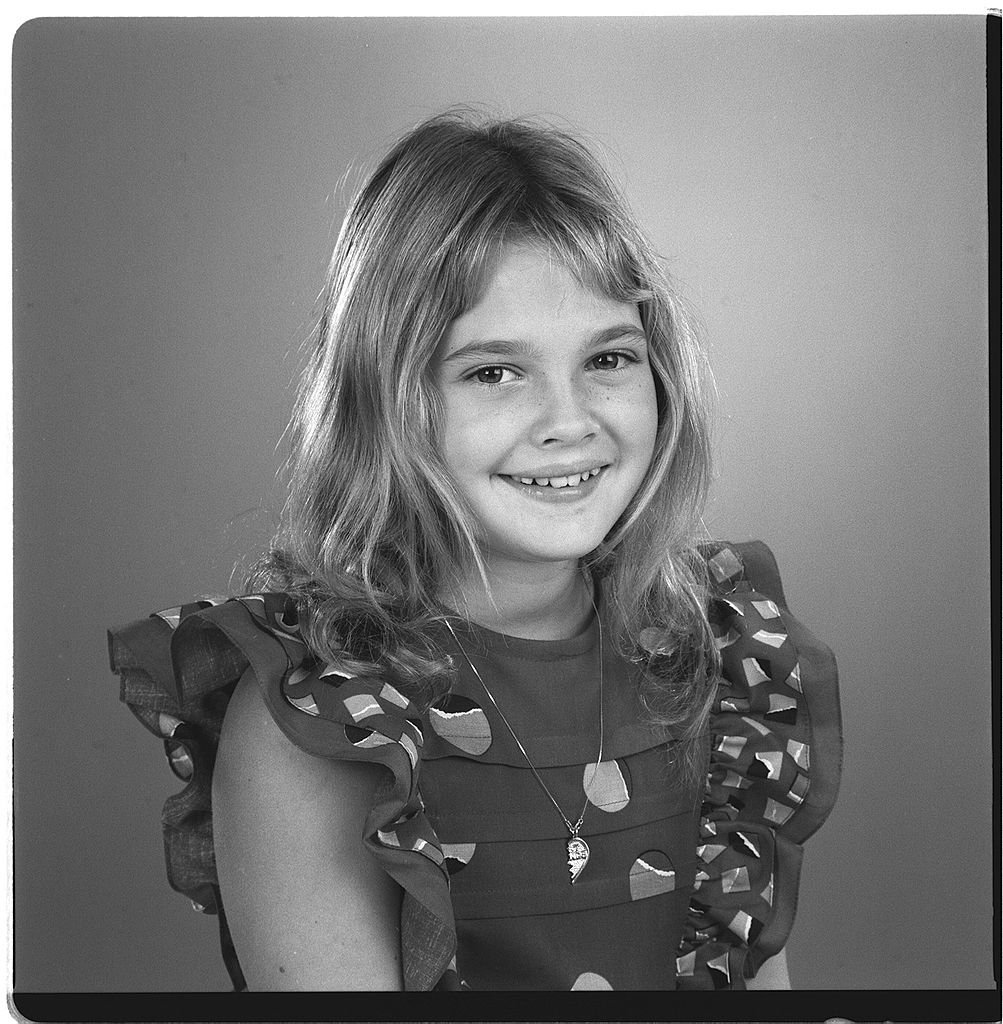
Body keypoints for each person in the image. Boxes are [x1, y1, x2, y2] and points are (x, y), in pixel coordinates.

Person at [108, 111, 841, 992]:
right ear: (383, 402)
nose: (569, 421)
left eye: (608, 359)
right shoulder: (324, 715)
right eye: (493, 372)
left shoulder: (714, 649)